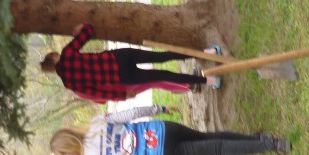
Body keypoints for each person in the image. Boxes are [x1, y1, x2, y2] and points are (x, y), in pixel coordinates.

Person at [50, 103, 290, 155]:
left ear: (67, 154)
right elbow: (130, 114)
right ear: (71, 131)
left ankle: (273, 145)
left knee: (217, 149)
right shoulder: (95, 123)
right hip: (162, 129)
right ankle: (259, 140)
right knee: (209, 137)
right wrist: (160, 108)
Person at [41, 22, 222, 103]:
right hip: (119, 57)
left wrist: (123, 96)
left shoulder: (71, 85)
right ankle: (207, 53)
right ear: (54, 56)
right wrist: (80, 27)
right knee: (161, 56)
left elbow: (100, 93)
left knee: (164, 75)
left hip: (123, 77)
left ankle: (209, 80)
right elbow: (89, 30)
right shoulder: (67, 53)